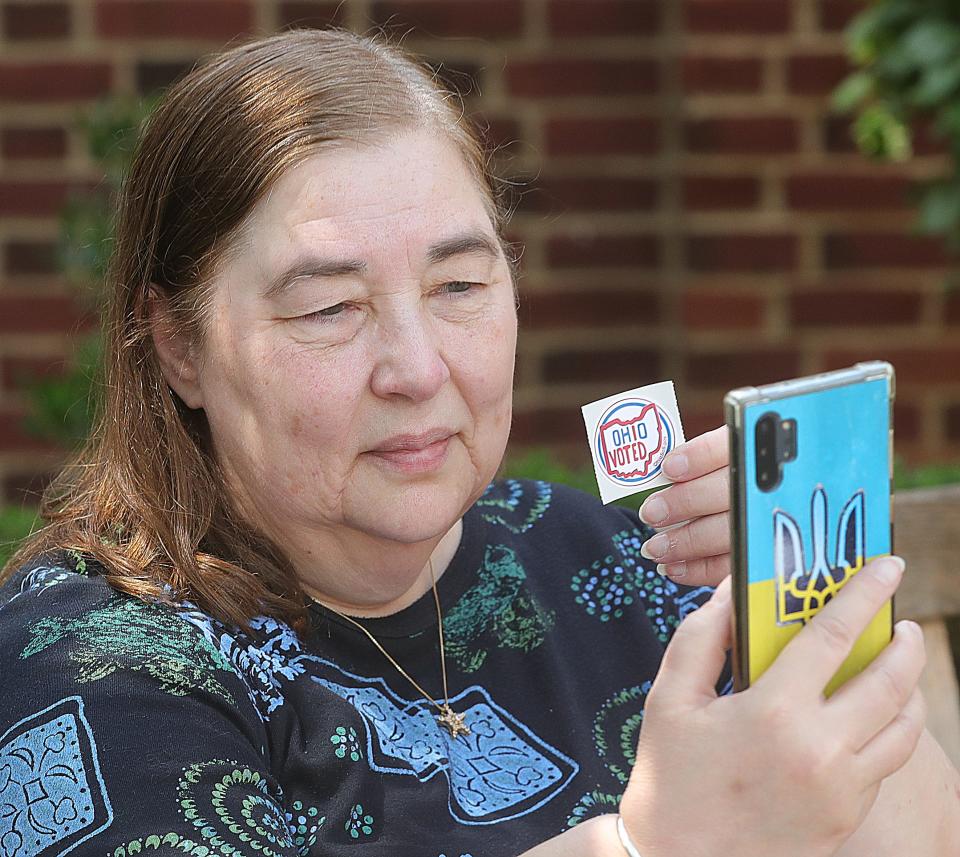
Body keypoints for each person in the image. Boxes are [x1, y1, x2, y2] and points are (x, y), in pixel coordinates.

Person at [0, 27, 956, 857]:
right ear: (178, 348)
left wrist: (806, 627)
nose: (417, 368)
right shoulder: (88, 666)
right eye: (331, 307)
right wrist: (654, 843)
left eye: (459, 287)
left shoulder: (612, 561)